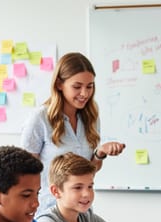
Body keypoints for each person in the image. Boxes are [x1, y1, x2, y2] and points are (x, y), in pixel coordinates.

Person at [21, 52, 126, 213]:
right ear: (59, 84)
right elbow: (25, 173)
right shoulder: (40, 118)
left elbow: (87, 172)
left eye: (89, 86)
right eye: (77, 87)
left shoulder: (91, 118)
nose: (85, 93)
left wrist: (100, 153)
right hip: (48, 210)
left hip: (81, 211)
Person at [37, 152, 148, 222]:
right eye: (78, 187)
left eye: (90, 186)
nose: (87, 194)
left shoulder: (88, 218)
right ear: (56, 191)